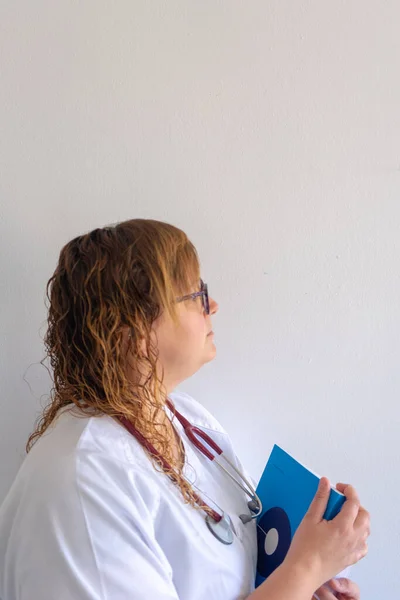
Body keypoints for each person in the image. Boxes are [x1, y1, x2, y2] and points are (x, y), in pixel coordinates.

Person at [0, 219, 370, 600]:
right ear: (135, 332)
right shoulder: (81, 483)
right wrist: (305, 567)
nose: (212, 305)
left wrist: (301, 586)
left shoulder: (187, 419)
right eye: (195, 294)